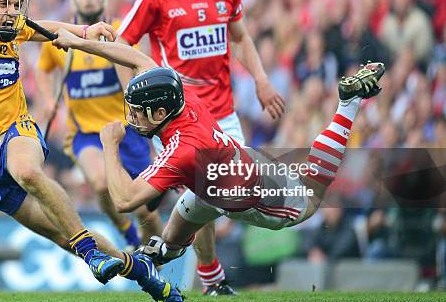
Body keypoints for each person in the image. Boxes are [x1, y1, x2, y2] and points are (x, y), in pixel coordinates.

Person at [48, 27, 384, 281]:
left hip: (249, 190)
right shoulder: (182, 96)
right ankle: (164, 253)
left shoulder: (181, 149)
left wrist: (109, 144)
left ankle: (347, 104)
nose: (131, 117)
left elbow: (124, 200)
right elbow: (137, 58)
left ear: (160, 112)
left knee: (310, 200)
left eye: (138, 111)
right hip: (214, 178)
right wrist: (78, 43)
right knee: (173, 234)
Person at [0, 0, 182, 302]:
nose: (11, 14)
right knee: (64, 236)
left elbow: (47, 29)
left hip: (16, 132)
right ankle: (144, 274)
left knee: (26, 170)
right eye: (3, 5)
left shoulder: (14, 28)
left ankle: (92, 255)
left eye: (16, 5)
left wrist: (84, 30)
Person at [116, 0, 285, 294]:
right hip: (178, 119)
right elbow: (123, 45)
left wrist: (260, 80)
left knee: (232, 192)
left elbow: (239, 38)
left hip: (223, 112)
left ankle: (189, 257)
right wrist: (137, 108)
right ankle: (211, 277)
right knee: (206, 193)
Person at [37, 0, 161, 250]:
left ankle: (160, 255)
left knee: (145, 212)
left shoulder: (122, 32)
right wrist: (47, 99)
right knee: (100, 183)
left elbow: (138, 67)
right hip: (86, 133)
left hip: (128, 132)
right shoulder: (60, 35)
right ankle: (128, 236)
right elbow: (43, 69)